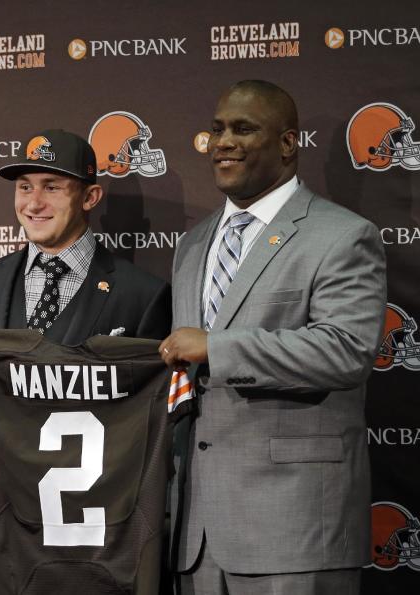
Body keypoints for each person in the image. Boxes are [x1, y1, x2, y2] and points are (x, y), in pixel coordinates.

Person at [160, 80, 386, 594]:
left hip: (294, 527)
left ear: (287, 143)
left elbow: (346, 350)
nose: (223, 142)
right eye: (217, 129)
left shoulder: (342, 235)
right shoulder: (193, 243)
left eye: (243, 129)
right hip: (197, 534)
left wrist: (216, 347)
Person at [0, 128, 170, 383]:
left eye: (51, 187)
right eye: (25, 187)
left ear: (89, 197)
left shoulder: (143, 294)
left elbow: (152, 405)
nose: (34, 203)